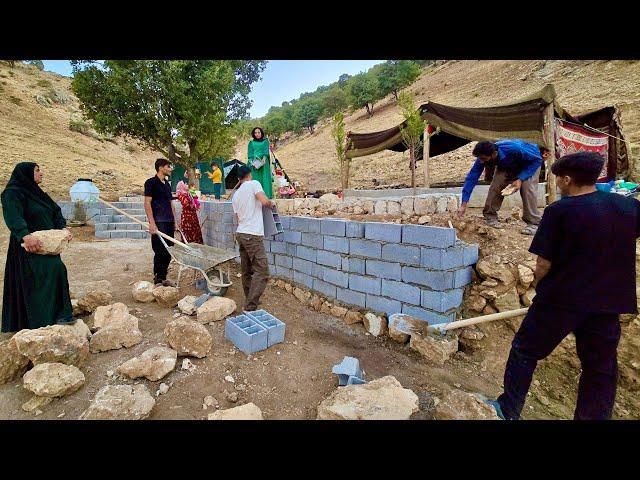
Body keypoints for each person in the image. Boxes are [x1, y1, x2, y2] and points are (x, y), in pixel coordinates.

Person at [483, 152, 640, 420]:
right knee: (600, 368)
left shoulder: (560, 211)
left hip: (562, 299)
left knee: (525, 349)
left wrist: (538, 286)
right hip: (607, 302)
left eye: (558, 180)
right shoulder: (628, 207)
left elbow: (544, 263)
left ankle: (508, 410)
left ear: (568, 179)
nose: (557, 184)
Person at [1, 162, 75, 332]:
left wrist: (62, 228)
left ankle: (59, 315)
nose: (41, 173)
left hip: (47, 245)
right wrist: (25, 235)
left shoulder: (39, 194)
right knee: (44, 275)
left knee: (56, 271)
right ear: (26, 174)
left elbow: (55, 211)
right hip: (28, 246)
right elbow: (13, 215)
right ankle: (38, 321)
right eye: (37, 171)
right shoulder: (12, 193)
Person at [457, 139, 543, 235]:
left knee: (528, 189)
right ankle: (490, 216)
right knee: (496, 185)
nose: (481, 161)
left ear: (494, 154)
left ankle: (534, 223)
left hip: (529, 164)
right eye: (479, 159)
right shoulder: (483, 156)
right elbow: (472, 177)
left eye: (484, 159)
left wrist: (520, 179)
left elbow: (537, 159)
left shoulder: (515, 148)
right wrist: (463, 204)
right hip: (506, 164)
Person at [231, 165, 275, 311]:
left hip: (241, 233)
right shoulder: (254, 184)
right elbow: (264, 201)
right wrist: (271, 203)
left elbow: (238, 219)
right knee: (262, 271)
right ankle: (250, 305)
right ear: (249, 174)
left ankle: (249, 297)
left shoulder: (236, 195)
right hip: (252, 235)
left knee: (246, 269)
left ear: (239, 178)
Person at [144, 158, 177, 287]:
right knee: (160, 251)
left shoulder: (167, 184)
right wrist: (151, 223)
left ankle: (163, 278)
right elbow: (147, 203)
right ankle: (158, 279)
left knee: (169, 251)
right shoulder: (151, 183)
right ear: (161, 167)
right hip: (158, 221)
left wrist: (175, 221)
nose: (170, 169)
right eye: (168, 167)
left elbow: (171, 203)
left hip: (168, 221)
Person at [247, 127, 273, 199]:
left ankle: (265, 197)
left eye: (259, 132)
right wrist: (252, 162)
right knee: (254, 179)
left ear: (261, 133)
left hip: (263, 163)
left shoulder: (265, 141)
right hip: (254, 164)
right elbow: (250, 155)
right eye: (255, 133)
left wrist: (264, 159)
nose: (257, 134)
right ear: (253, 134)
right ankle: (254, 197)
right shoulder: (251, 143)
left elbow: (265, 152)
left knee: (264, 179)